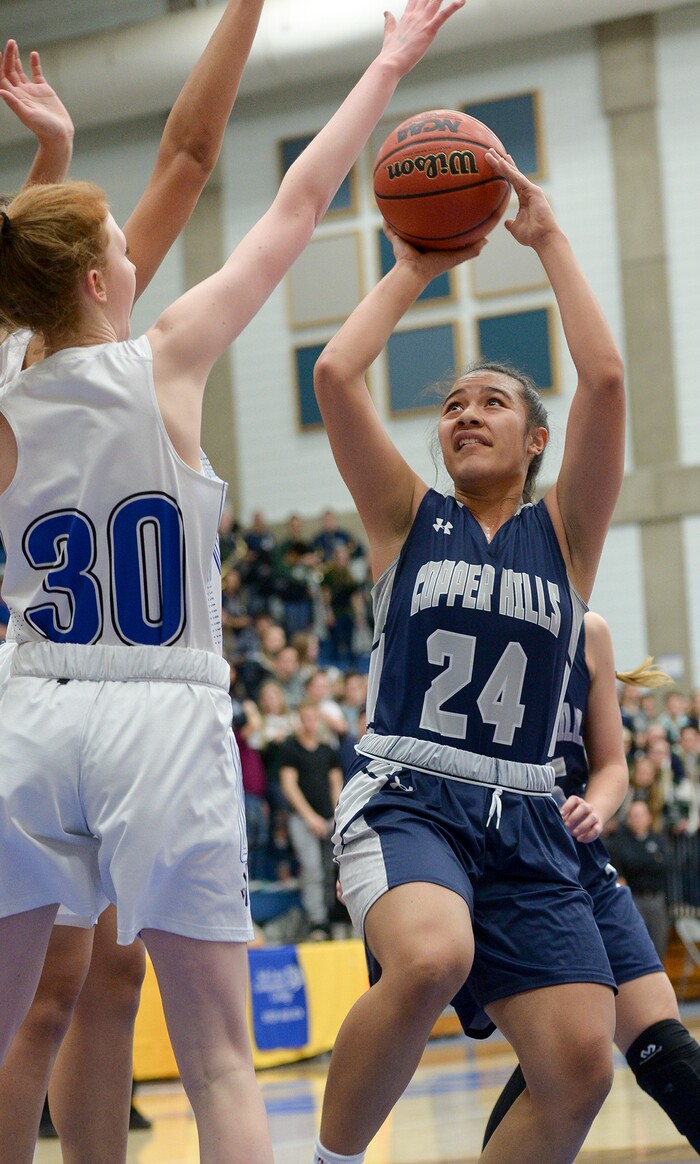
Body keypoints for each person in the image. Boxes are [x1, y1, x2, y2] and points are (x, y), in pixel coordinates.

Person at [0, 3, 467, 1163]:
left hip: (32, 711)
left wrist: (51, 168)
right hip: (160, 703)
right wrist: (389, 59)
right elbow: (297, 200)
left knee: (15, 1021)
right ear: (107, 284)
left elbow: (27, 288)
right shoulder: (167, 355)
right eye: (116, 244)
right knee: (216, 1057)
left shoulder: (8, 392)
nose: (130, 250)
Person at [310, 141, 627, 1164]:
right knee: (431, 958)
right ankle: (329, 1160)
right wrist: (412, 264)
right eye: (451, 406)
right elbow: (335, 372)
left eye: (491, 403)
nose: (465, 415)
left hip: (530, 815)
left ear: (536, 440)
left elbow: (608, 379)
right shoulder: (407, 519)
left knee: (581, 1064)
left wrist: (549, 241)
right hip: (412, 789)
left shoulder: (567, 536)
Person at [0, 8, 267, 1159]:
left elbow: (47, 257)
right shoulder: (87, 351)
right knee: (51, 993)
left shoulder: (60, 349)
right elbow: (190, 156)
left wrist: (53, 162)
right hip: (62, 677)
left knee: (102, 978)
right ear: (100, 273)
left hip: (79, 694)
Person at [482, 612, 700, 1153]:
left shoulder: (589, 629)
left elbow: (612, 766)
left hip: (577, 858)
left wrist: (595, 809)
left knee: (659, 1040)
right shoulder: (465, 599)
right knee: (567, 1059)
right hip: (501, 857)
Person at [279, 702, 345, 939]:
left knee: (331, 870)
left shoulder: (328, 750)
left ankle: (330, 917)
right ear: (299, 720)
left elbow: (335, 783)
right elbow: (289, 785)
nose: (309, 723)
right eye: (305, 718)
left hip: (328, 817)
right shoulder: (290, 748)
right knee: (312, 868)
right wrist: (310, 817)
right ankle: (316, 920)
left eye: (313, 717)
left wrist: (337, 814)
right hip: (303, 818)